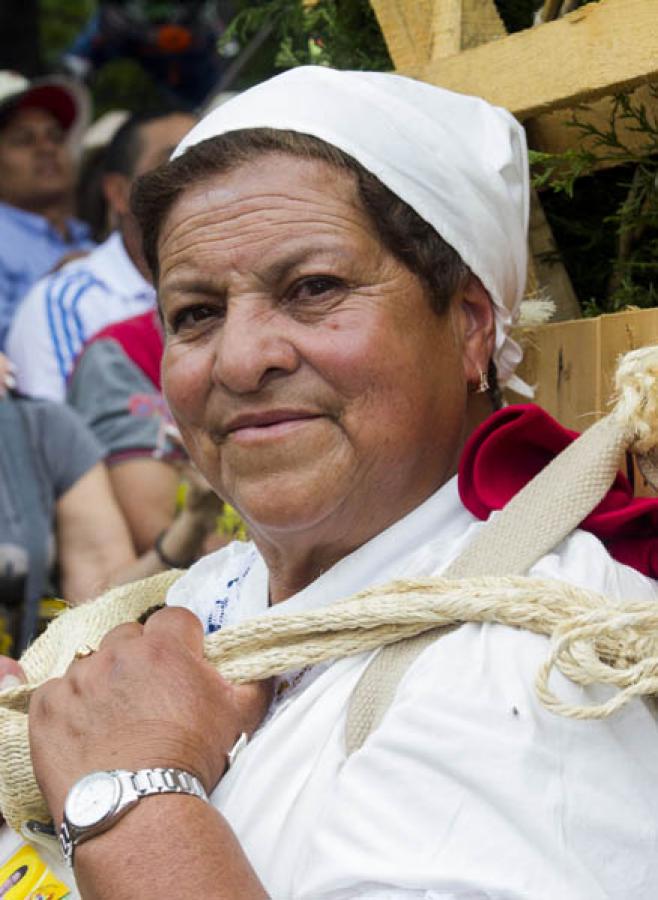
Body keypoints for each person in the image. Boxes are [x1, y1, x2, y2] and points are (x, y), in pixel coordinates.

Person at [27, 68, 658, 899]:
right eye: (195, 313)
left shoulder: (530, 669)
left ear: (471, 325)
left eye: (314, 289)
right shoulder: (221, 591)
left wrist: (131, 794)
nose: (243, 358)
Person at [6, 108, 196, 402]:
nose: (201, 178)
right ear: (119, 193)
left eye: (209, 160)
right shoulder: (64, 303)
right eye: (172, 162)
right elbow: (61, 441)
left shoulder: (77, 239)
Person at [0, 72, 93, 349]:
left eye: (56, 136)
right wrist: (54, 291)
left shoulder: (89, 242)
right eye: (24, 140)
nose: (47, 148)